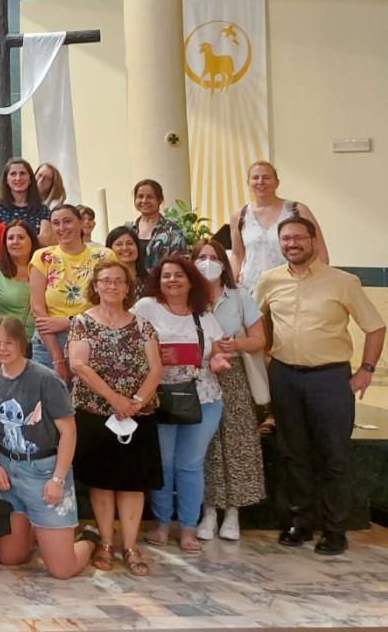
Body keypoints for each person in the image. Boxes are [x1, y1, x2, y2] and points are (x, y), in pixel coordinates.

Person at [258, 216, 383, 556]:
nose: (292, 244)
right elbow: (255, 323)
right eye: (286, 239)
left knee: (333, 456)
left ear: (314, 241)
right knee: (293, 454)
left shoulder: (343, 281)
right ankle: (300, 521)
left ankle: (334, 529)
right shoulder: (268, 281)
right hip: (284, 376)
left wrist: (366, 370)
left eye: (299, 237)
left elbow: (375, 327)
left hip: (330, 378)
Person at [67, 258, 163, 576]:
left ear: (127, 287)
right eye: (105, 280)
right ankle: (106, 543)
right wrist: (114, 399)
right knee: (102, 482)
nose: (111, 286)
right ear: (95, 286)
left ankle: (131, 546)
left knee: (133, 484)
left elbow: (156, 368)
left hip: (137, 415)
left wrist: (135, 401)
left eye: (118, 281)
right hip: (96, 414)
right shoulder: (82, 322)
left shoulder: (142, 324)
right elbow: (78, 365)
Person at [134, 254, 233, 553]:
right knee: (162, 464)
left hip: (202, 398)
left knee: (190, 465)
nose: (172, 280)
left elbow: (216, 352)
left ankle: (188, 527)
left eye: (179, 275)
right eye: (166, 275)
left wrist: (219, 361)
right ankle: (162, 524)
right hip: (159, 397)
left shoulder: (203, 315)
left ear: (191, 281)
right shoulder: (145, 308)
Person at [0, 315, 96, 580]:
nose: (2, 349)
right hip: (7, 471)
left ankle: (90, 539)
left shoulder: (45, 380)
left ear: (22, 343)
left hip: (43, 471)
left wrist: (57, 479)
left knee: (62, 569)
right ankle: (38, 533)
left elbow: (69, 432)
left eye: (8, 343)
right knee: (10, 558)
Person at [193, 238, 266, 543]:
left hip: (234, 377)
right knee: (204, 445)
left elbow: (259, 339)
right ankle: (208, 510)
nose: (207, 262)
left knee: (236, 443)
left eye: (213, 257)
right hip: (199, 377)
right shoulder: (189, 297)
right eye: (201, 257)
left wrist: (235, 344)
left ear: (223, 263)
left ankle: (233, 512)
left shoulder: (239, 297)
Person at [29, 204, 106, 381]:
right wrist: (57, 359)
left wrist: (69, 322)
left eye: (67, 221)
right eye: (56, 223)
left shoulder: (103, 256)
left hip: (93, 339)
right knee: (51, 404)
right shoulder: (43, 257)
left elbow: (109, 304)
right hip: (49, 343)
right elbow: (38, 309)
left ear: (80, 223)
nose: (62, 228)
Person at [232, 160, 329, 287]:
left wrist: (316, 283)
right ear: (249, 184)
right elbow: (237, 255)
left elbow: (319, 250)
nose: (261, 181)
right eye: (255, 178)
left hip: (290, 288)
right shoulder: (240, 215)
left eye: (266, 177)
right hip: (250, 289)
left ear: (277, 182)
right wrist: (229, 284)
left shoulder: (297, 210)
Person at [0, 219, 37, 338]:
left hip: (39, 344)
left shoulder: (45, 269)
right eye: (10, 238)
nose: (15, 242)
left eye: (21, 237)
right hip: (3, 342)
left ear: (32, 240)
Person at [126, 179, 187, 274]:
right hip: (132, 286)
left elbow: (181, 264)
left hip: (161, 285)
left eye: (150, 197)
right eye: (140, 196)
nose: (144, 201)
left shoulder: (173, 231)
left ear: (160, 200)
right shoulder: (128, 229)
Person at [0, 158, 54, 246]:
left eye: (22, 173)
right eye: (13, 174)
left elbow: (45, 241)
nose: (18, 178)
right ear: (6, 180)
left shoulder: (43, 209)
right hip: (4, 258)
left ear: (31, 179)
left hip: (34, 258)